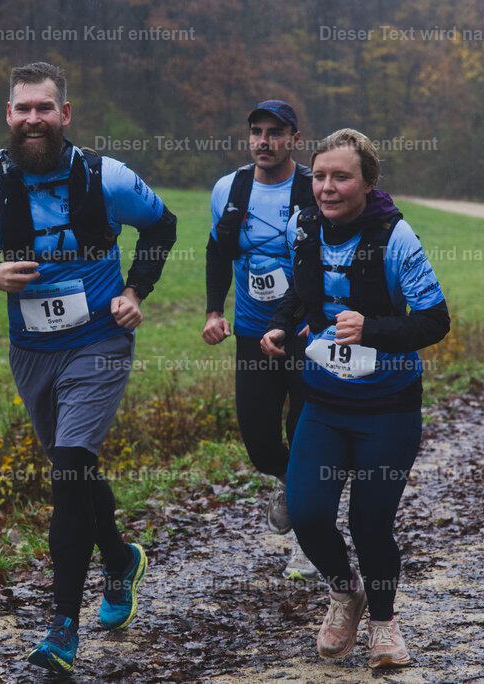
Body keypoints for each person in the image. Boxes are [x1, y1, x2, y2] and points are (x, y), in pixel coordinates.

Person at [0, 61, 176, 675]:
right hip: (32, 352)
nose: (33, 119)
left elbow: (162, 224)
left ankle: (63, 627)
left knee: (69, 471)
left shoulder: (106, 176)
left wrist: (136, 290)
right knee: (75, 470)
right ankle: (121, 559)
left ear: (64, 114)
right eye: (23, 108)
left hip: (99, 341)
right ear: (8, 115)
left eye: (44, 107)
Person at [260, 128, 449, 668]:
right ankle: (346, 592)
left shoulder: (396, 237)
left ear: (368, 182)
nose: (326, 187)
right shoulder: (302, 226)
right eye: (319, 176)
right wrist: (280, 324)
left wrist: (372, 329)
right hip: (323, 400)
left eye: (340, 177)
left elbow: (435, 321)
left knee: (370, 523)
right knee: (306, 513)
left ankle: (384, 623)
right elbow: (300, 290)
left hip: (388, 406)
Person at [202, 100, 318, 580]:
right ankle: (292, 484)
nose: (264, 141)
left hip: (304, 333)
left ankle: (310, 541)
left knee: (305, 433)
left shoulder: (313, 188)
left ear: (295, 139)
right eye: (256, 132)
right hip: (251, 332)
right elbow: (217, 250)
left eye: (275, 132)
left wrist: (319, 314)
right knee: (259, 440)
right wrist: (213, 311)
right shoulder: (230, 189)